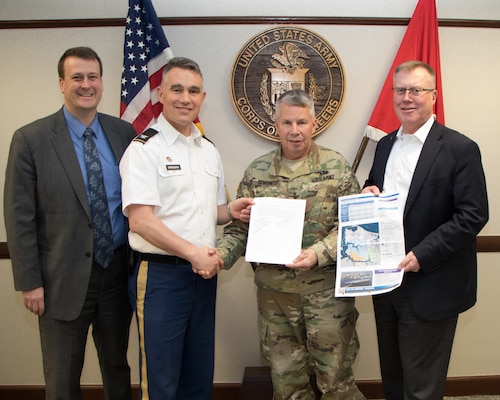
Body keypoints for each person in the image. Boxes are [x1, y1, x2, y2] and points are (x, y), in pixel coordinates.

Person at [216, 89, 366, 400]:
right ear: (276, 124)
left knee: (336, 383)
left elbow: (355, 227)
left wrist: (317, 253)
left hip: (326, 298)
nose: (294, 131)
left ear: (314, 123)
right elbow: (241, 228)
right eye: (287, 122)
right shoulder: (257, 173)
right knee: (287, 386)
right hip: (275, 300)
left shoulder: (336, 167)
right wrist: (218, 256)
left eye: (301, 122)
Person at [4, 47, 135, 400]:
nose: (86, 85)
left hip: (116, 272)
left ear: (102, 83)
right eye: (77, 77)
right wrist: (30, 282)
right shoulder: (30, 139)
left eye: (93, 77)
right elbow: (19, 217)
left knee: (117, 367)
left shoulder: (124, 133)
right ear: (62, 83)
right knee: (62, 378)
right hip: (60, 278)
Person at [119, 56, 252, 400]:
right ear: (160, 93)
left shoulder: (208, 150)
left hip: (202, 277)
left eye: (193, 91)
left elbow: (213, 212)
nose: (185, 98)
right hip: (161, 279)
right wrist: (194, 253)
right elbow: (141, 220)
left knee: (198, 376)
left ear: (203, 97)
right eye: (176, 89)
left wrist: (231, 211)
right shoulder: (144, 149)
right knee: (161, 381)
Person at [362, 60, 489, 400]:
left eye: (416, 90)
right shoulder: (386, 144)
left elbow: (473, 215)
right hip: (386, 282)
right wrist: (367, 190)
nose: (407, 98)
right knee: (394, 379)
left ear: (433, 95)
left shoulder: (460, 149)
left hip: (431, 282)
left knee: (421, 389)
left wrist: (422, 255)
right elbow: (380, 187)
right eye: (400, 90)